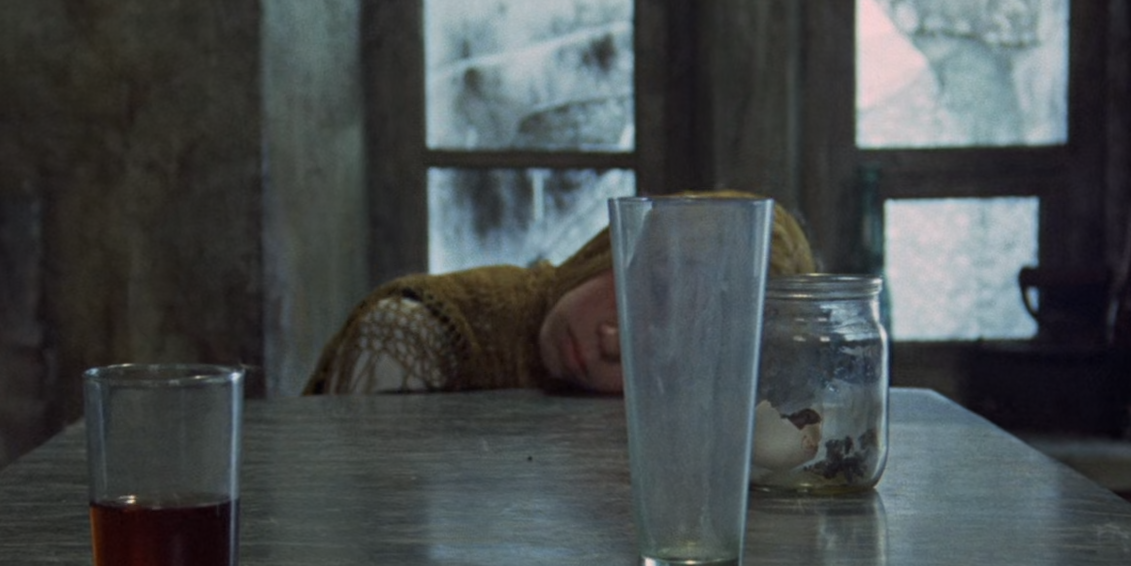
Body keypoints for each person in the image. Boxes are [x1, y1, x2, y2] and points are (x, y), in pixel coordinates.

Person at [304, 191, 816, 396]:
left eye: (670, 352)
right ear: (616, 250)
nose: (614, 341)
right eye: (654, 292)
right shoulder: (413, 338)